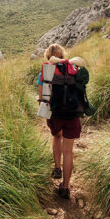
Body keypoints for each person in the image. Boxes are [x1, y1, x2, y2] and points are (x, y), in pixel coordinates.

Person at [37, 44, 82, 199]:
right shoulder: (73, 68)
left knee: (57, 137)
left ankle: (57, 168)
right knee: (68, 151)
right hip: (72, 113)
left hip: (55, 113)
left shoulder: (46, 70)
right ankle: (65, 187)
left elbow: (42, 97)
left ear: (49, 56)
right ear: (63, 55)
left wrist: (47, 115)